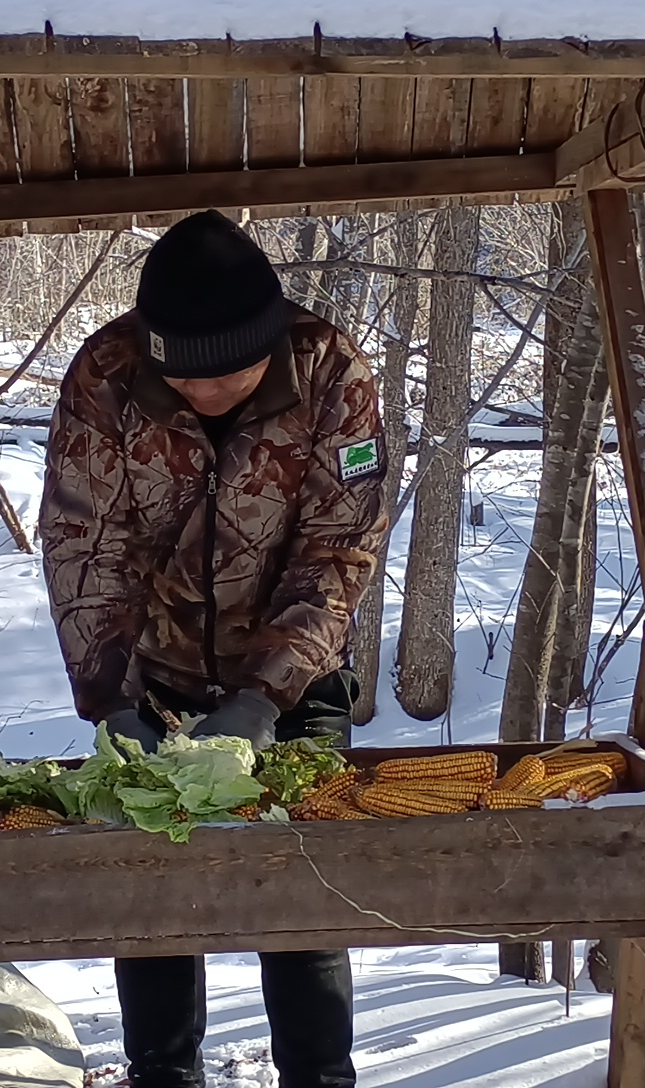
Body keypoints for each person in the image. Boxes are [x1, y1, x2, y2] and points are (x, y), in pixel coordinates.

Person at [37, 208, 389, 1088]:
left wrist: (261, 698)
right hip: (148, 673)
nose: (206, 394)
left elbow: (338, 550)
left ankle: (320, 1077)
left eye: (228, 375)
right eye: (185, 380)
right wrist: (112, 698)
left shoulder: (331, 372)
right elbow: (84, 545)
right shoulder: (106, 376)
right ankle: (161, 1075)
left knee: (301, 893)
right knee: (151, 892)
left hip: (293, 678)